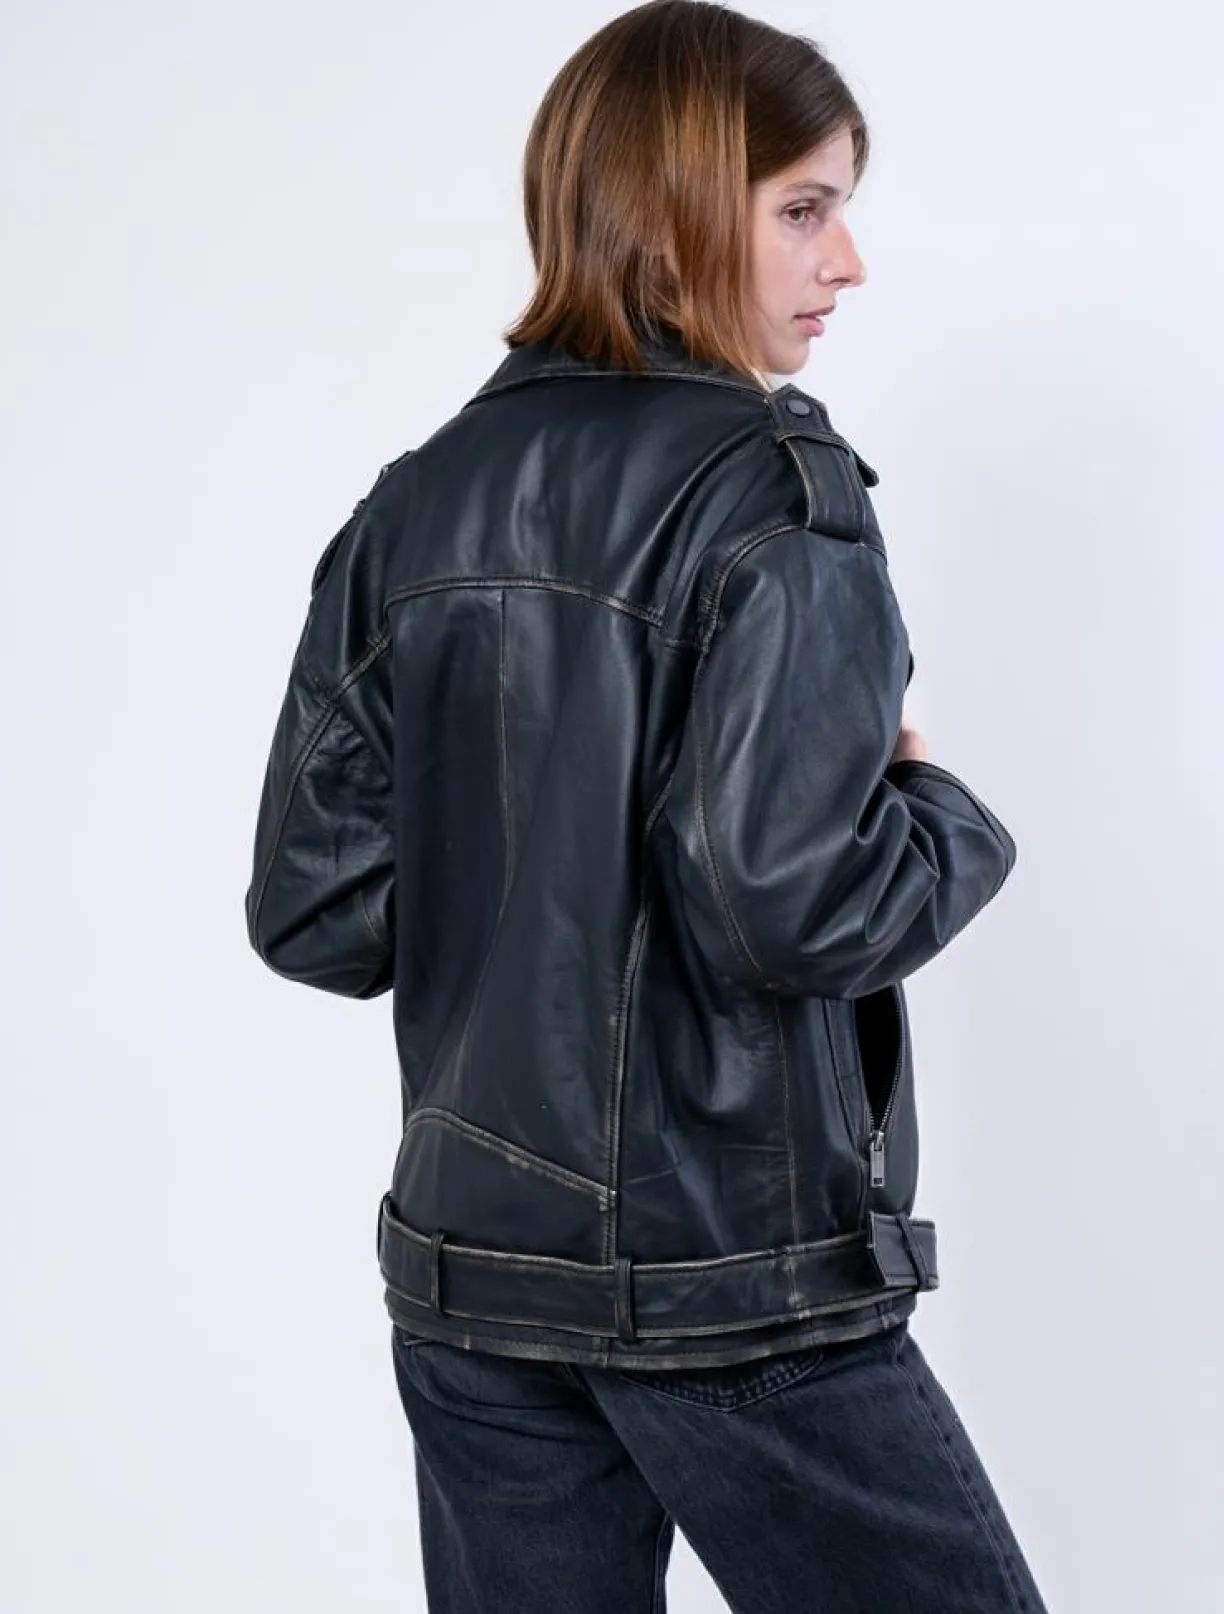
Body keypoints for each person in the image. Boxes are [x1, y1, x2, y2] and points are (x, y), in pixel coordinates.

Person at [243, 2, 1049, 1608]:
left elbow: (317, 911)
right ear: (675, 204)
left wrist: (521, 836)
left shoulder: (416, 505)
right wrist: (945, 813)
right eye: (804, 209)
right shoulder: (778, 491)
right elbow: (793, 903)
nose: (847, 263)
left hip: (476, 1283)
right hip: (733, 1284)